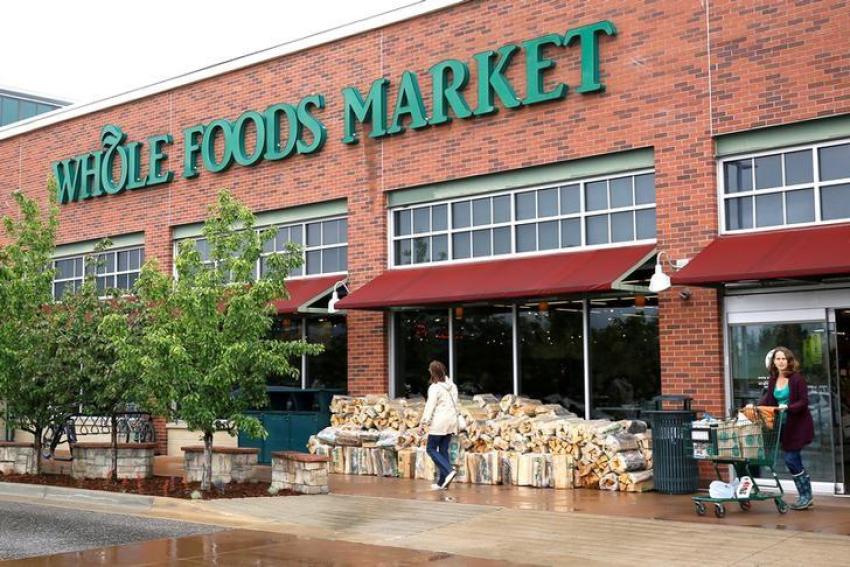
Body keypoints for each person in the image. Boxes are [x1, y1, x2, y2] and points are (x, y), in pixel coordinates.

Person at [759, 346, 815, 510]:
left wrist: (787, 408)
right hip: (782, 427)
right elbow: (769, 400)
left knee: (791, 459)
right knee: (791, 461)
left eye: (784, 358)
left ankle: (806, 495)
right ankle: (805, 496)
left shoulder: (797, 378)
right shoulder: (773, 379)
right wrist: (754, 406)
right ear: (773, 362)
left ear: (789, 361)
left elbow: (804, 402)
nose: (781, 361)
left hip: (797, 425)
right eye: (778, 359)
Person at [418, 360, 460, 490]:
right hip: (451, 422)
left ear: (432, 372)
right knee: (443, 450)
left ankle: (448, 470)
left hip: (439, 422)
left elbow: (430, 407)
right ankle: (442, 482)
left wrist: (423, 423)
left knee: (430, 448)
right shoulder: (452, 385)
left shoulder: (434, 388)